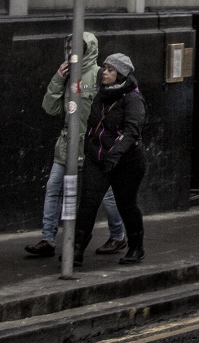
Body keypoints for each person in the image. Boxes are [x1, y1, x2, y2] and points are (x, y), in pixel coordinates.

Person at [28, 32, 125, 258]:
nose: (72, 52)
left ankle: (118, 235)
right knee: (54, 188)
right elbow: (50, 109)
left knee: (107, 194)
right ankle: (48, 239)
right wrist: (57, 80)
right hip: (67, 145)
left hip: (93, 146)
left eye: (77, 48)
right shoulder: (67, 76)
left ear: (88, 50)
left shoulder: (99, 74)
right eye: (69, 48)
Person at [73, 53, 146, 266]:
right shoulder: (102, 95)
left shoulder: (133, 98)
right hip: (98, 158)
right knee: (87, 204)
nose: (104, 72)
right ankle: (76, 250)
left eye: (110, 69)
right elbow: (93, 123)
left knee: (126, 205)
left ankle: (136, 247)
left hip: (127, 162)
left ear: (121, 74)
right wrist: (91, 146)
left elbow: (133, 130)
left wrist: (115, 153)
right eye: (104, 68)